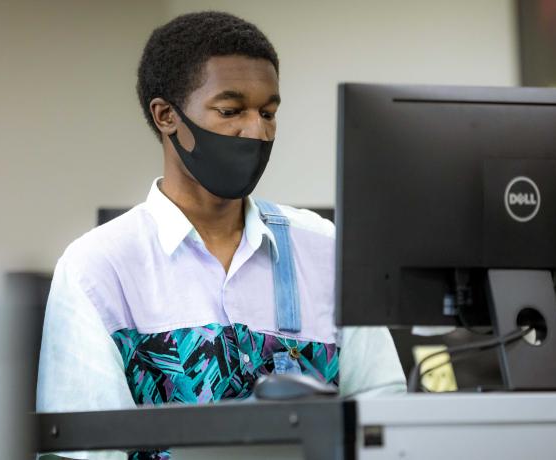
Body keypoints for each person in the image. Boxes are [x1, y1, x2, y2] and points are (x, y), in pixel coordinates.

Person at [37, 11, 406, 460]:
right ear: (166, 116)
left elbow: (385, 420)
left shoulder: (325, 248)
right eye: (231, 111)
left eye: (268, 112)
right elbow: (85, 451)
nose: (257, 131)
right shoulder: (97, 268)